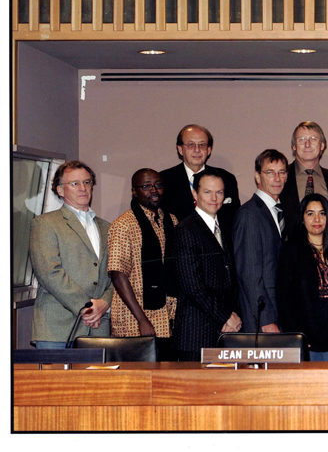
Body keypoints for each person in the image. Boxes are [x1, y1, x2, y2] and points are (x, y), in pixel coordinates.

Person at [29, 161, 112, 348]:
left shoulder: (108, 227)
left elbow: (116, 274)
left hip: (99, 329)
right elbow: (49, 273)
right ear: (60, 190)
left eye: (87, 182)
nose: (83, 188)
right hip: (57, 329)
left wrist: (105, 303)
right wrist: (87, 308)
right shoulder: (45, 224)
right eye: (75, 183)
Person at [169, 168, 242, 361]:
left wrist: (232, 315)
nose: (214, 198)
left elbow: (231, 277)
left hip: (225, 331)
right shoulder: (185, 230)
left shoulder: (225, 228)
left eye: (219, 192)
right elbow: (193, 287)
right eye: (207, 192)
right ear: (195, 194)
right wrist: (226, 315)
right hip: (196, 335)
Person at [107, 169, 178, 349]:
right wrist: (142, 319)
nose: (154, 190)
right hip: (134, 319)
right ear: (134, 191)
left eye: (158, 185)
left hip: (167, 316)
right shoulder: (124, 225)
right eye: (146, 186)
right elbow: (118, 275)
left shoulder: (171, 220)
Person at [276, 194, 328, 362]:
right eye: (310, 214)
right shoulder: (291, 250)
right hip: (307, 338)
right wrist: (296, 335)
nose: (317, 219)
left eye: (322, 213)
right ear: (302, 218)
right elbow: (284, 298)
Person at [233, 149, 288, 333]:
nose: (277, 178)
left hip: (280, 310)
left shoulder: (280, 211)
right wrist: (266, 319)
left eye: (282, 172)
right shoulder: (249, 214)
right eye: (270, 173)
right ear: (257, 176)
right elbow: (249, 273)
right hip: (262, 319)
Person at [160, 124, 241, 232]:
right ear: (180, 149)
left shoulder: (226, 178)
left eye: (202, 145)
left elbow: (236, 221)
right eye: (190, 144)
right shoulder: (164, 180)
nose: (197, 150)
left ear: (209, 150)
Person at [280, 121, 328, 240]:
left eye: (313, 139)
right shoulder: (280, 178)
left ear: (322, 146)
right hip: (287, 255)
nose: (307, 144)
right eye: (302, 139)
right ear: (294, 146)